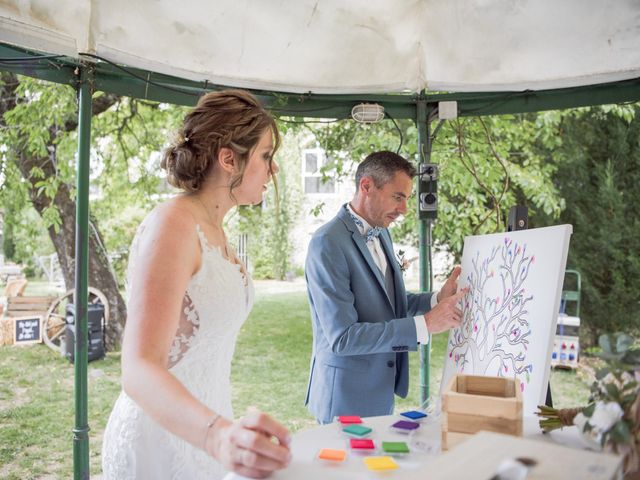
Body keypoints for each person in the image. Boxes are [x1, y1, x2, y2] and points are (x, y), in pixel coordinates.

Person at [102, 89, 291, 479]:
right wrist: (217, 436)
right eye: (265, 155)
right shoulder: (173, 225)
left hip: (208, 427)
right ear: (228, 159)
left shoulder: (218, 232)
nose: (273, 170)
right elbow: (138, 368)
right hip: (160, 439)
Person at [304, 150, 467, 424]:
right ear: (366, 186)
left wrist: (437, 298)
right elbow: (343, 337)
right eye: (398, 197)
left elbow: (388, 302)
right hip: (344, 396)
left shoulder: (382, 233)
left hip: (380, 390)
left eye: (406, 198)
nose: (404, 209)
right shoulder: (327, 243)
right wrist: (424, 325)